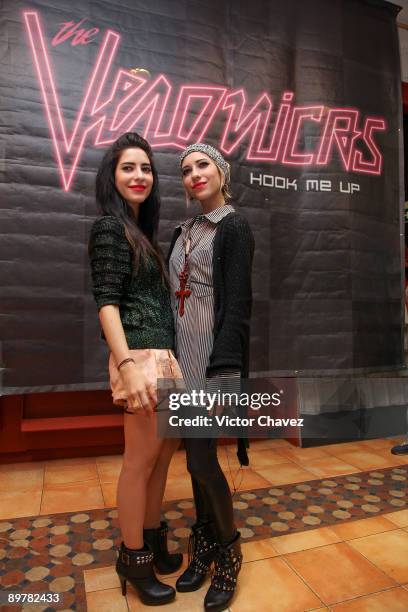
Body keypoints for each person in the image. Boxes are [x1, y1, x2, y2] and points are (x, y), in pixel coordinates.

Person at [88, 132, 183, 606]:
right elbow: (106, 305)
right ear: (113, 175)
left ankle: (152, 540)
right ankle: (132, 557)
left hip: (163, 356)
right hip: (139, 358)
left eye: (146, 168)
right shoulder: (109, 227)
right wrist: (127, 366)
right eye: (128, 167)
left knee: (162, 458)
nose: (139, 176)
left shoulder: (141, 231)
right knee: (138, 461)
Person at [168, 143, 255, 612]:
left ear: (221, 172)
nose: (194, 174)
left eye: (203, 165)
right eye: (186, 170)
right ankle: (202, 545)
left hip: (209, 364)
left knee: (202, 463)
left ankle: (229, 553)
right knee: (192, 463)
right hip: (180, 365)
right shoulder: (182, 231)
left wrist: (225, 374)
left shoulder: (234, 226)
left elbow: (238, 305)